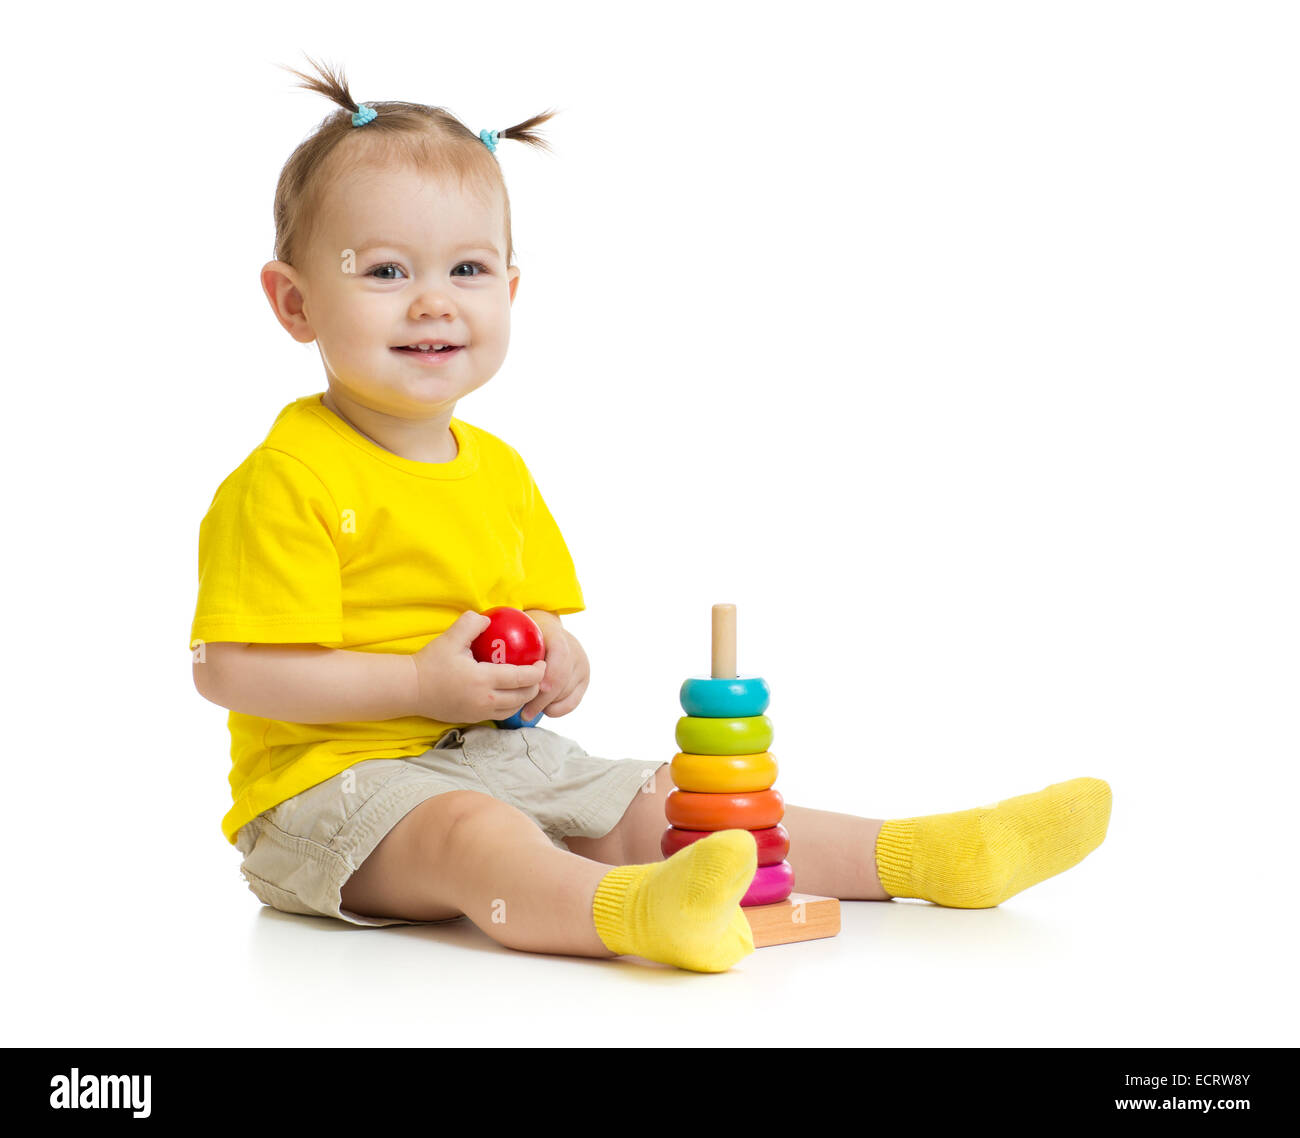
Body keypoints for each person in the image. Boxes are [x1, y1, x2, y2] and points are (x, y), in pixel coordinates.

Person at [190, 55, 1112, 974]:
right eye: (386, 270)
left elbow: (530, 620)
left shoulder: (498, 471)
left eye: (467, 268)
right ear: (295, 302)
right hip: (328, 797)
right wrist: (416, 689)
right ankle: (634, 915)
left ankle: (934, 855)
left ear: (509, 293)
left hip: (495, 759)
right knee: (471, 835)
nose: (434, 299)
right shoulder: (286, 479)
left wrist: (556, 661)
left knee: (678, 804)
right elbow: (231, 672)